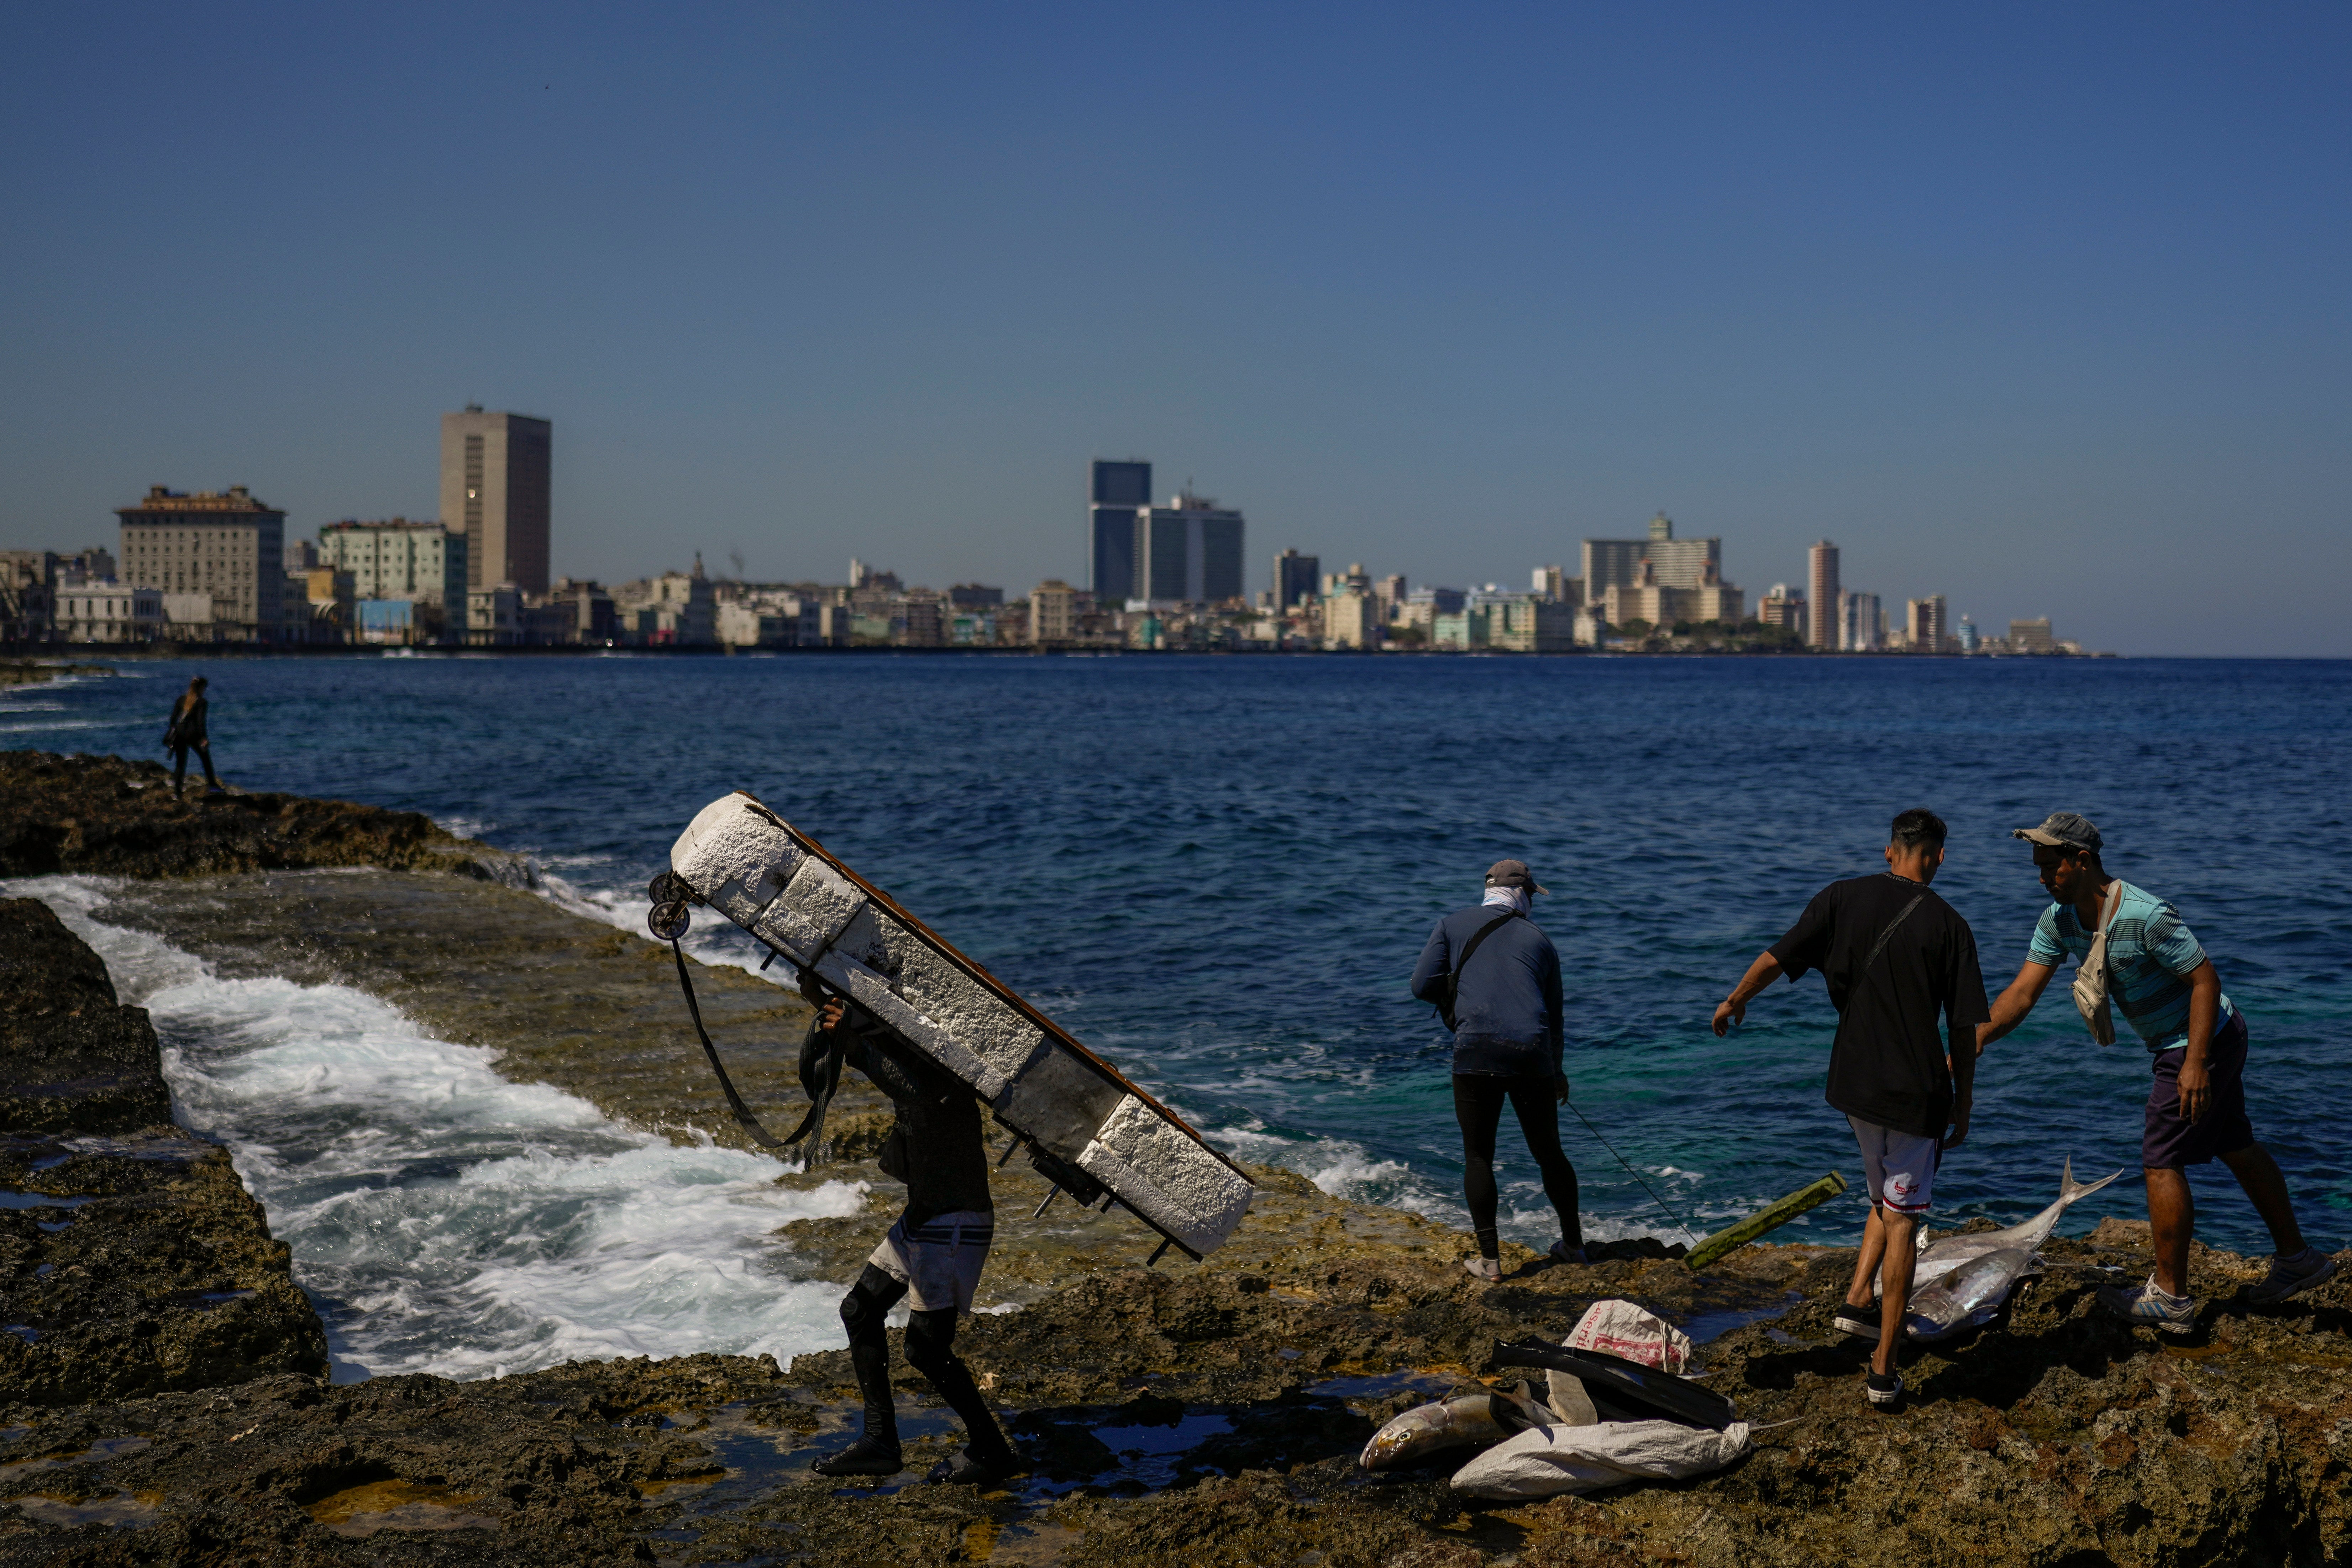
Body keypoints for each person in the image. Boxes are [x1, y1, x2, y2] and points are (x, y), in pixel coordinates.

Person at [1976, 812, 2335, 1332]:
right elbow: (2022, 993)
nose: (2040, 878)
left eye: (2049, 867)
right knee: (2234, 1141)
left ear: (2082, 861)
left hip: (2202, 1039)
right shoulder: (2058, 919)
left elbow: (2205, 982)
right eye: (2037, 867)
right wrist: (1977, 1040)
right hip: (2198, 1041)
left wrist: (2194, 1063)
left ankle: (2170, 1297)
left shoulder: (2146, 915)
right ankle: (2298, 1260)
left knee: (2160, 1158)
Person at [1712, 809, 1986, 1410]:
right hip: (1915, 1096)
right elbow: (1964, 1029)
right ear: (1938, 857)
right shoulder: (1951, 926)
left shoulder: (1839, 898)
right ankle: (1883, 1369)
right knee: (1902, 1220)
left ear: (1889, 852)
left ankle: (1856, 1305)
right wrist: (1963, 1100)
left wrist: (1734, 1001)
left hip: (1853, 1088)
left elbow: (1775, 957)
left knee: (1883, 1199)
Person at [802, 993, 1019, 1485]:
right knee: (860, 1310)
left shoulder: (941, 1064)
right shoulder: (908, 1049)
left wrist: (854, 1046)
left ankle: (992, 1450)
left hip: (953, 1223)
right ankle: (880, 1441)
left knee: (925, 1349)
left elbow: (916, 1089)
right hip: (926, 1217)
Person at [1411, 859, 1581, 1281]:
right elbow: (1554, 1017)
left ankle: (1490, 1261)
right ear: (1522, 893)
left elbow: (1420, 985)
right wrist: (1555, 1072)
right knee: (1549, 1153)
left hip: (1476, 1050)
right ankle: (1574, 1247)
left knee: (1478, 1155)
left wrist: (1456, 1003)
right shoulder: (1540, 939)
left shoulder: (1451, 924)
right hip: (1530, 1054)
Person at [162, 675, 222, 798]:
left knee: (180, 764)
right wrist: (203, 738)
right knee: (206, 759)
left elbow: (173, 720)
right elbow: (201, 723)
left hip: (179, 735)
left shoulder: (181, 699)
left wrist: (178, 729)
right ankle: (213, 785)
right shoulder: (202, 702)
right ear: (201, 688)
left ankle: (178, 793)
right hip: (193, 735)